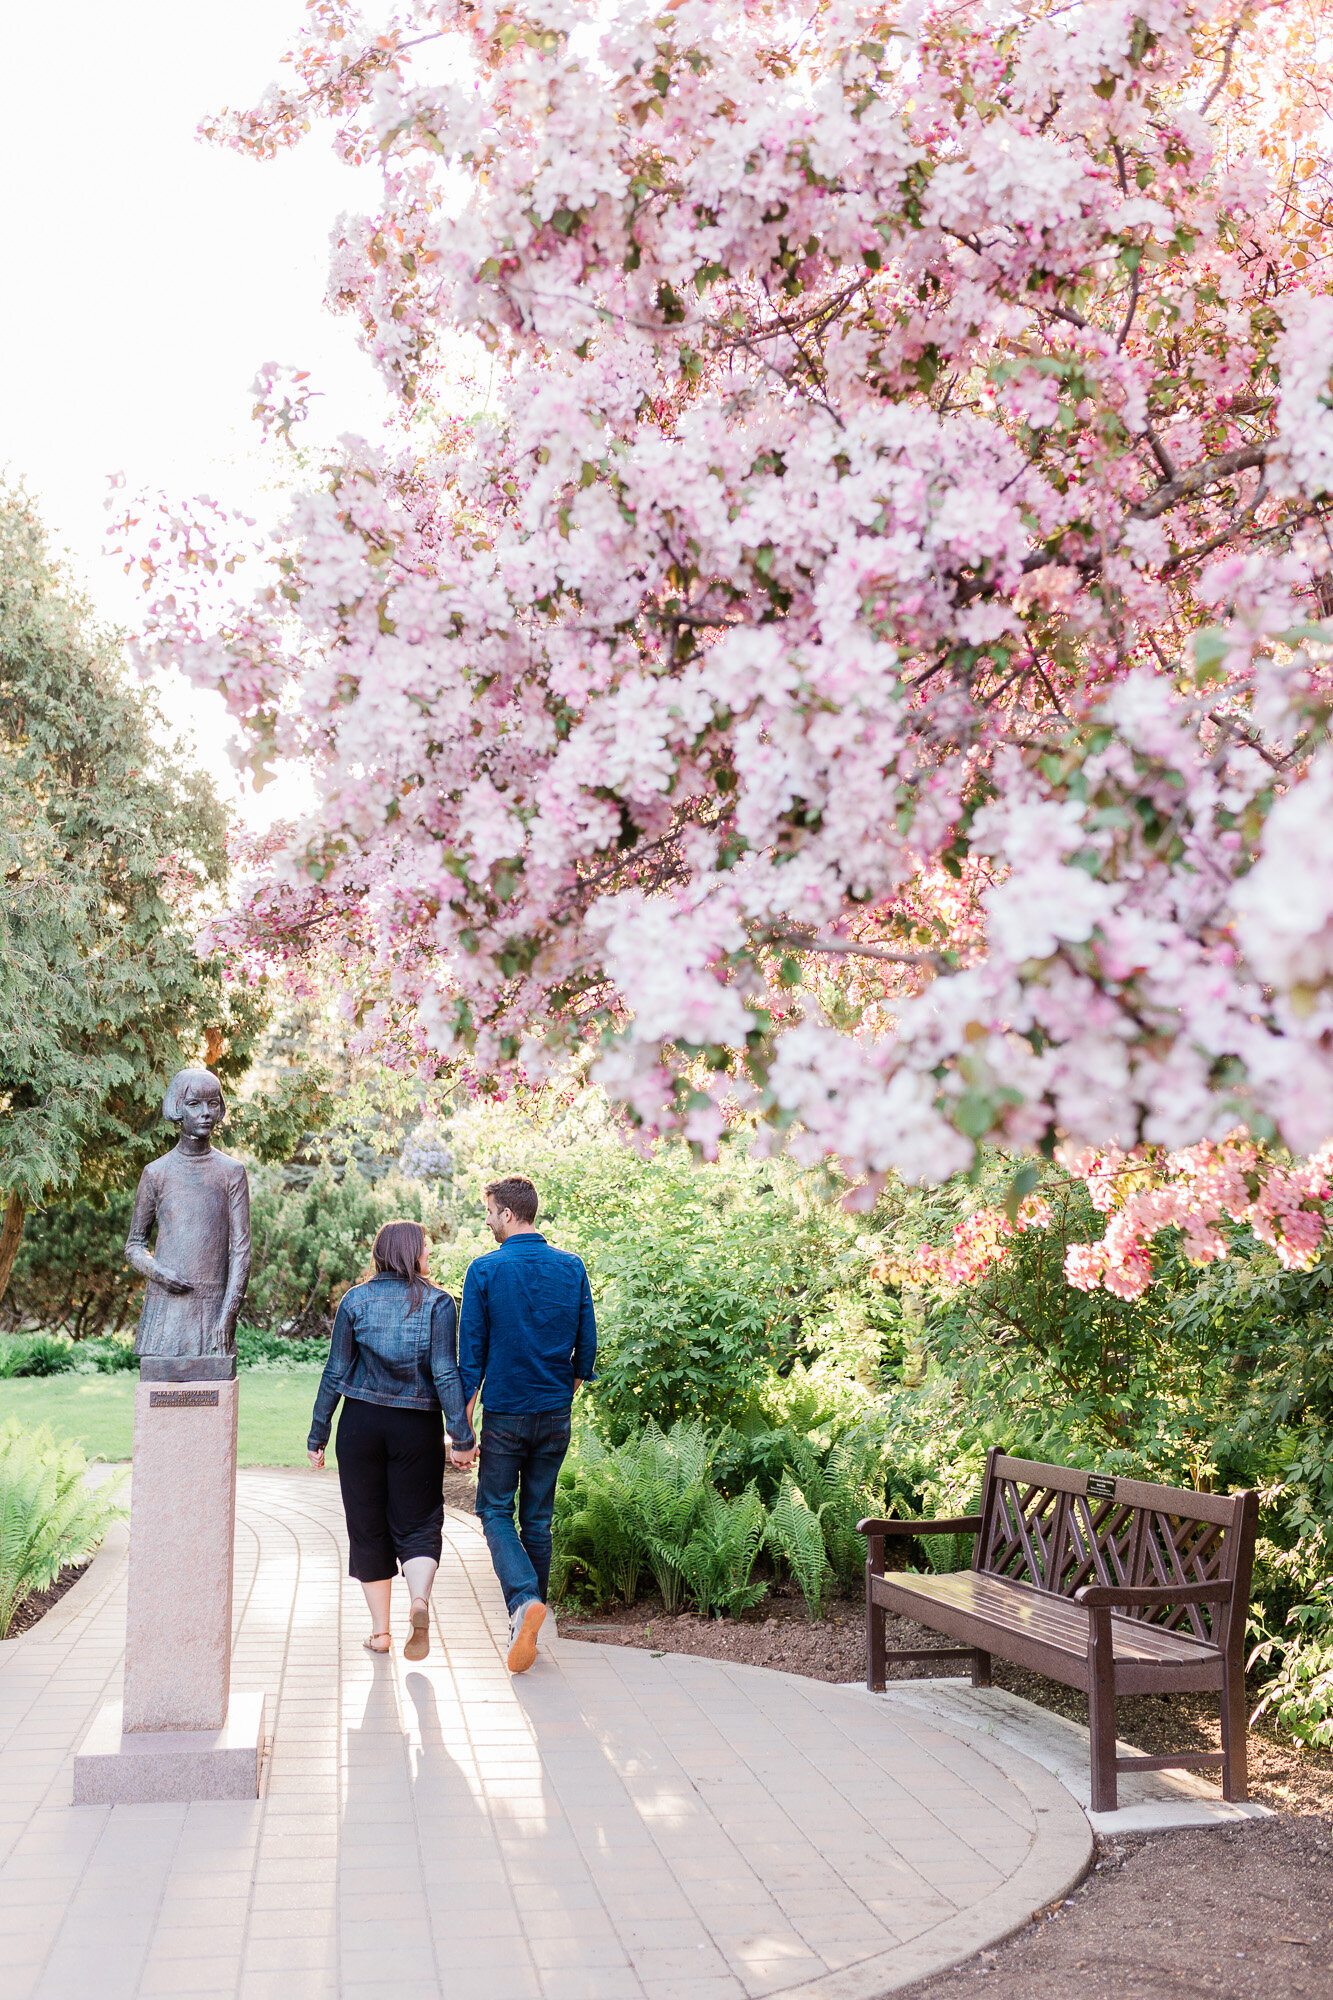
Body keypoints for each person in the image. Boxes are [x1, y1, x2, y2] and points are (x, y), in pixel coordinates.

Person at [307, 1220, 476, 1659]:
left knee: (367, 1526)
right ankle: (418, 1601)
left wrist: (318, 1431)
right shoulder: (439, 1303)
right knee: (419, 1522)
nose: (430, 1257)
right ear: (409, 1253)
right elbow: (444, 1372)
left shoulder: (355, 1300)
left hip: (360, 1425)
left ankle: (380, 1633)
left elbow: (335, 1372)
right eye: (426, 1250)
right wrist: (461, 1436)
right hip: (415, 1427)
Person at [459, 1175, 596, 1674]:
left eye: (490, 1213)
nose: (488, 1221)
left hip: (505, 1415)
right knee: (537, 1519)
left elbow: (470, 1360)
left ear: (509, 1214)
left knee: (494, 1510)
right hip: (554, 1412)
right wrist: (563, 1394)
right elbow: (587, 1350)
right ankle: (533, 1621)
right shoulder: (571, 1267)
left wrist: (462, 1429)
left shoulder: (486, 1271)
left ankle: (522, 1603)